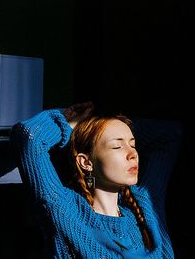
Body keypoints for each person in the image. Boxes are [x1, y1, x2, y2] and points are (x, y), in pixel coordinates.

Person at [10, 102, 182, 258]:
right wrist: (70, 123)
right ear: (86, 162)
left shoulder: (145, 206)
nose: (133, 154)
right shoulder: (66, 210)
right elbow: (29, 137)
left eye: (133, 144)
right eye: (117, 146)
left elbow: (169, 135)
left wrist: (110, 122)